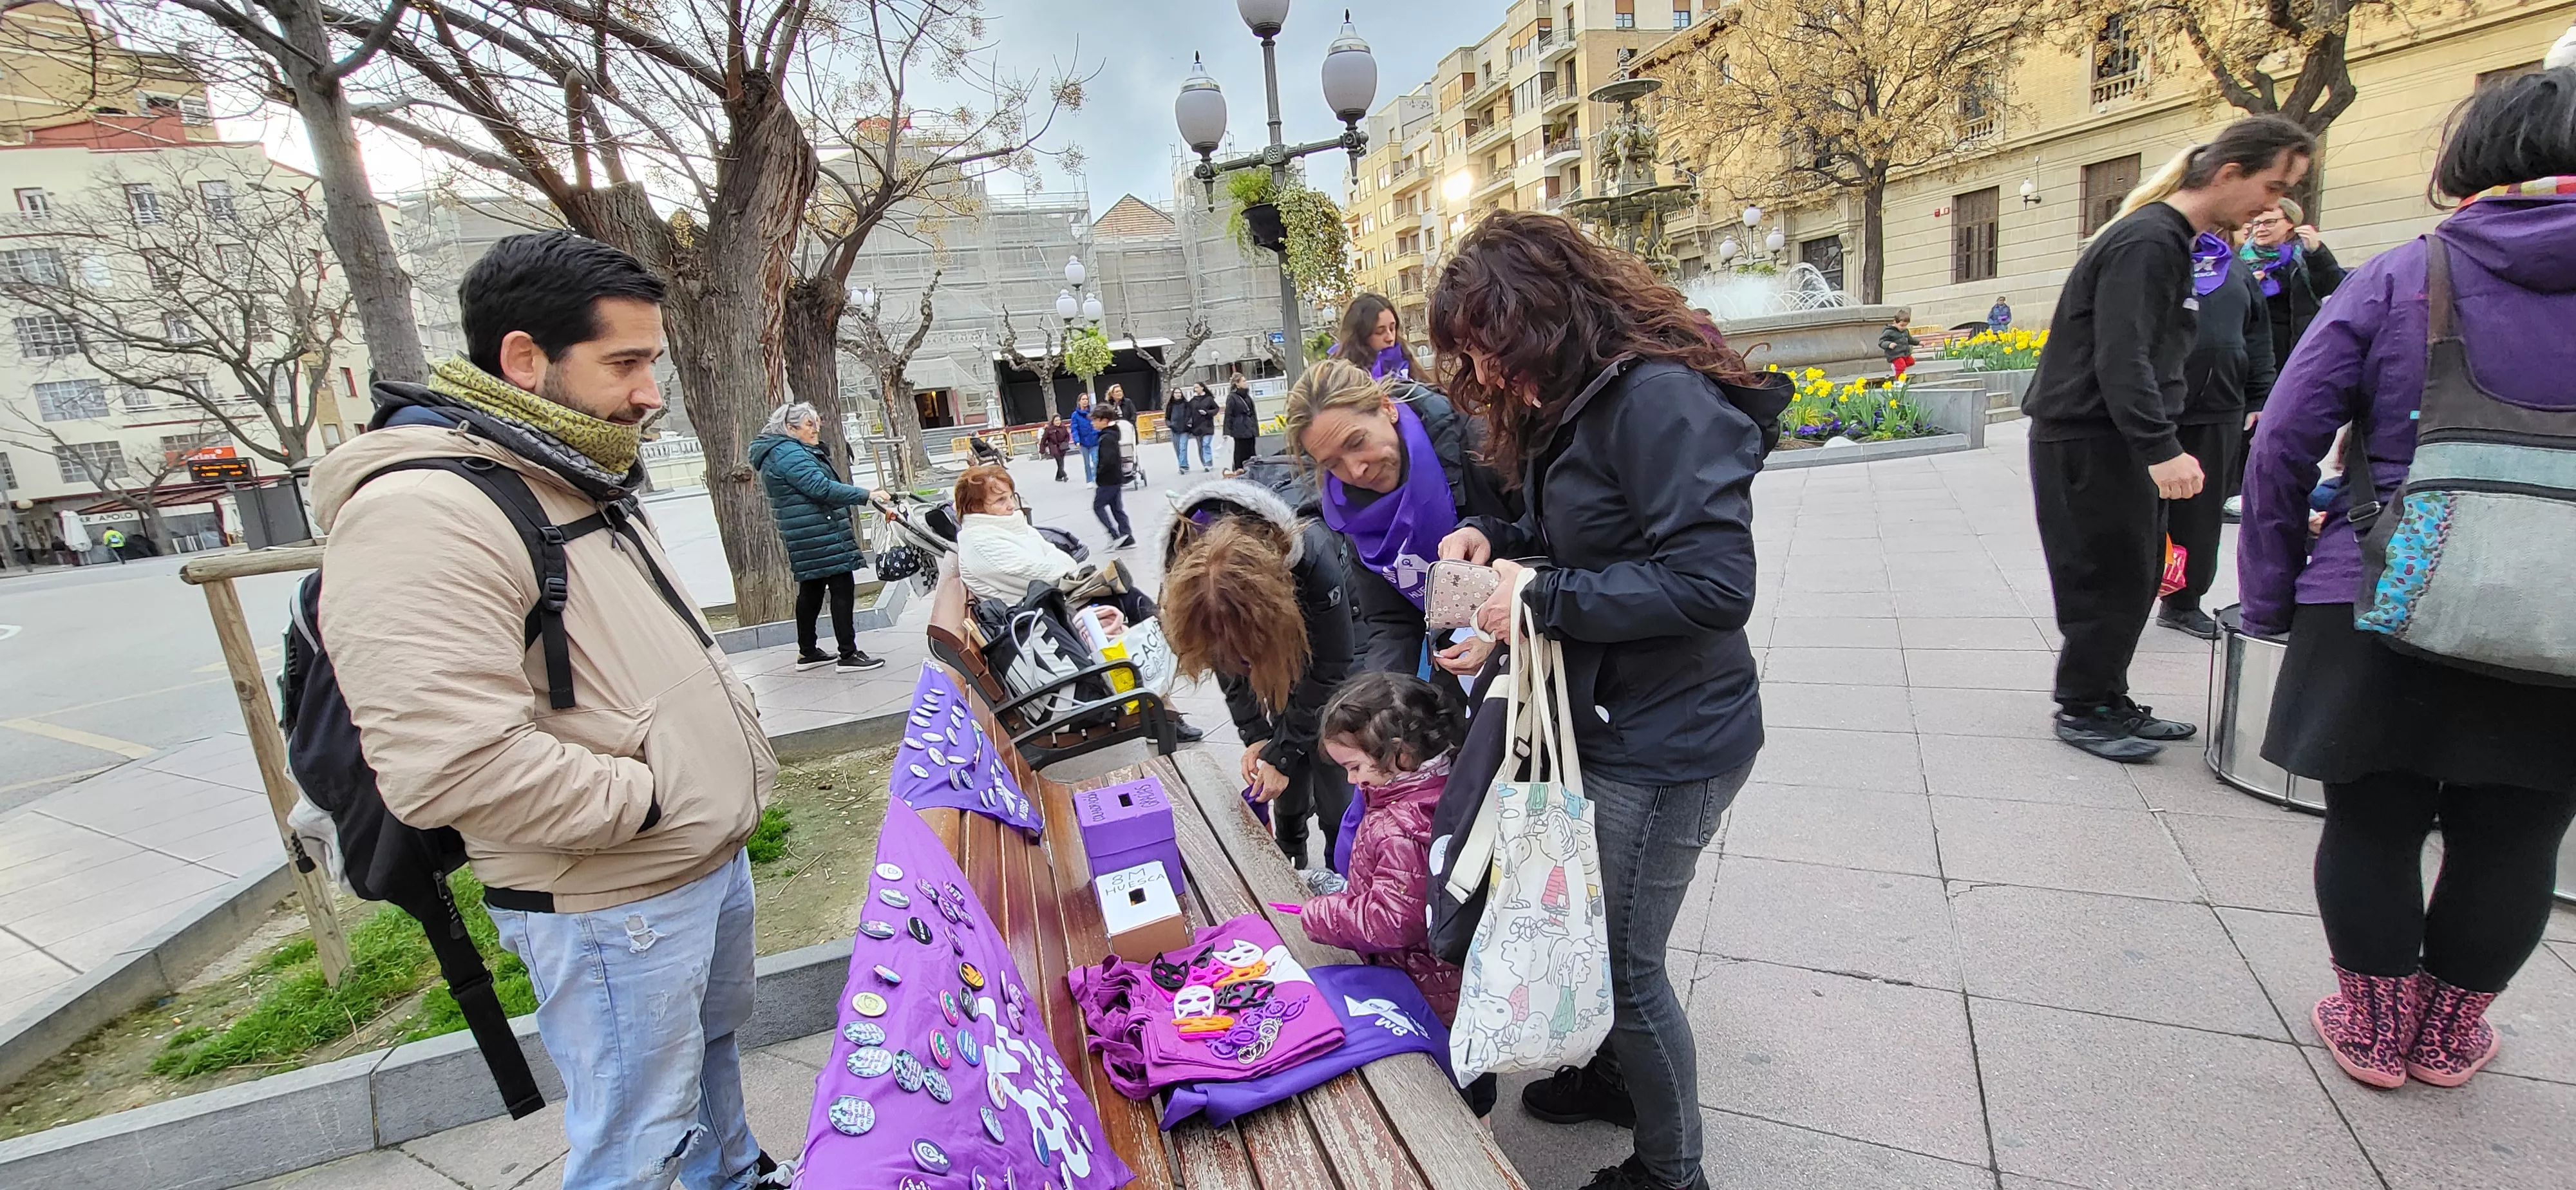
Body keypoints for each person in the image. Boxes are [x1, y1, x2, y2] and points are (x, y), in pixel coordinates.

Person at [310, 231, 793, 1190]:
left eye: (651, 359)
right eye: (626, 362)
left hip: (691, 860)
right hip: (611, 893)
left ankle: (735, 1177)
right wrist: (651, 799)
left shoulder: (570, 464)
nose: (651, 390)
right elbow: (450, 764)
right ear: (525, 359)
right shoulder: (425, 511)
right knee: (635, 1138)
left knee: (708, 1066)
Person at [2240, 68, 2576, 1092]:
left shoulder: (2398, 276)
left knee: (2373, 822)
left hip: (2379, 590)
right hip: (2565, 614)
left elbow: (2283, 446)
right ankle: (2446, 1037)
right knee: (2518, 834)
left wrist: (2269, 593)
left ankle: (2377, 1029)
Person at [1430, 211, 1767, 1190]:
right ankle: (1616, 1076)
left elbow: (1714, 584)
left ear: (1543, 312)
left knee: (1627, 962)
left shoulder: (1658, 398)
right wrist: (1492, 542)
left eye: (1492, 347)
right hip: (1617, 712)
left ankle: (1672, 1173)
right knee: (1595, 929)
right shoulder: (1583, 396)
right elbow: (1573, 531)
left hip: (1674, 734)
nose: (1486, 376)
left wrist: (1540, 597)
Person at [2020, 115, 2314, 762]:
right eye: (2271, 186)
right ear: (2229, 173)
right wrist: (2160, 447)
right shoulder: (2148, 242)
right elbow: (2121, 356)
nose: (2274, 204)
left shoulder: (2170, 239)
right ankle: (2084, 706)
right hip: (2090, 440)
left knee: (2136, 571)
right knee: (2105, 574)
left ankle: (2107, 695)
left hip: (2113, 438)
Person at [1300, 670, 1497, 1116]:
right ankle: (1480, 1112)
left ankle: (1468, 1139)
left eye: (1354, 767)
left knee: (1449, 1087)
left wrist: (1323, 914)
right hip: (1460, 979)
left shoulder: (1401, 825)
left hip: (1427, 985)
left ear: (1399, 753)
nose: (1351, 781)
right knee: (1474, 1062)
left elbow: (1391, 920)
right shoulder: (1439, 784)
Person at [1284, 357, 1517, 692]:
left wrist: (1498, 634)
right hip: (1458, 667)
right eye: (1333, 463)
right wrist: (1375, 702)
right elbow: (1392, 623)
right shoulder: (1355, 516)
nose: (1355, 471)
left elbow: (1551, 543)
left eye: (1356, 442)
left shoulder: (1480, 444)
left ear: (1387, 408)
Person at [1159, 479, 1355, 871]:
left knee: (1336, 746)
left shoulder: (1312, 559)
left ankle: (1341, 862)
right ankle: (1289, 849)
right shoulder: (1187, 575)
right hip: (1268, 613)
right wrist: (1258, 737)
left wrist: (1281, 754)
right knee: (1283, 739)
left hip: (1336, 620)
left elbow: (1332, 668)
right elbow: (1226, 664)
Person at [2157, 225, 2277, 641]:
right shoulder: (2158, 262)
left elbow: (2258, 338)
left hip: (2220, 411)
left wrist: (2262, 395)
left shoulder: (2237, 271)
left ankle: (2183, 603)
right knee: (2138, 512)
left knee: (2201, 514)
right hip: (2156, 411)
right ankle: (2126, 598)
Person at [747, 402, 886, 673]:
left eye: (816, 423)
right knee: (841, 588)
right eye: (809, 424)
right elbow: (820, 487)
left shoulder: (782, 451)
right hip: (819, 530)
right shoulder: (788, 452)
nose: (816, 429)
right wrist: (866, 495)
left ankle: (808, 652)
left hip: (807, 532)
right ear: (790, 428)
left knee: (811, 591)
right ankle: (848, 654)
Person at [1332, 292, 1421, 381]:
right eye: (1380, 332)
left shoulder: (1408, 364)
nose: (1390, 338)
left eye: (1392, 328)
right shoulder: (1346, 378)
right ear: (1361, 335)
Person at [1088, 404, 1135, 549]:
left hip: (1108, 479)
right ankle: (1127, 536)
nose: (1093, 423)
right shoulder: (1111, 435)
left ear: (1105, 420)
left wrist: (1099, 474)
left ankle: (1114, 535)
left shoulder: (1107, 438)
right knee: (1116, 507)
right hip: (1115, 478)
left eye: (1096, 420)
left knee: (1098, 506)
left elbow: (1107, 460)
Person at [1222, 371, 1259, 476]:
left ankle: (1252, 470)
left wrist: (1256, 429)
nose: (1245, 382)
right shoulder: (1232, 397)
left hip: (1250, 428)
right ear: (1237, 384)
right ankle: (1238, 471)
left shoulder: (1247, 396)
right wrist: (1227, 432)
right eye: (1243, 381)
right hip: (1240, 428)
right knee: (1240, 451)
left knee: (1251, 451)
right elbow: (1229, 414)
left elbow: (1253, 413)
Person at [1878, 308, 1920, 377]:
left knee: (1911, 362)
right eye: (1902, 325)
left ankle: (1895, 367)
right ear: (1895, 323)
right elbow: (1881, 342)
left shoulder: (1905, 331)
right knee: (1901, 365)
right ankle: (1899, 380)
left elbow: (1910, 339)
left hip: (1904, 353)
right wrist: (1889, 344)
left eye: (1905, 325)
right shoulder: (1889, 332)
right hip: (1894, 354)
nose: (1903, 327)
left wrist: (1919, 343)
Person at [1069, 391, 1100, 483]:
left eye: (1087, 399)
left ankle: (1095, 478)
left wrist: (1099, 434)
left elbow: (1097, 425)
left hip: (1094, 441)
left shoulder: (1093, 413)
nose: (1085, 401)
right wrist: (1077, 440)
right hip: (1083, 443)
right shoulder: (1075, 415)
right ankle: (1089, 480)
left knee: (1096, 460)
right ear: (1079, 402)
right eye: (1083, 399)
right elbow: (1074, 428)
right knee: (1087, 463)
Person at [1039, 415, 1073, 482]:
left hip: (1062, 447)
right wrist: (1042, 449)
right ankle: (1064, 475)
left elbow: (1067, 436)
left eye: (1059, 420)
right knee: (1059, 461)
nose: (1058, 422)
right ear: (1053, 422)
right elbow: (1044, 439)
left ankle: (1058, 477)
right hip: (1054, 447)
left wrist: (1066, 442)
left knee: (1061, 462)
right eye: (1056, 420)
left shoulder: (1063, 427)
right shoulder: (1049, 429)